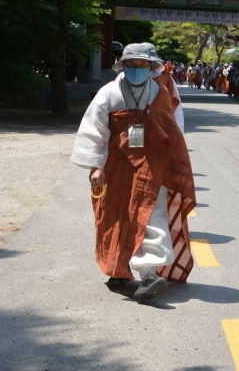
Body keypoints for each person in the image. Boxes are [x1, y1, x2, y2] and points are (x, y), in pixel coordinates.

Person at [69, 43, 197, 301]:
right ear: (123, 66)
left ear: (151, 67)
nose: (137, 69)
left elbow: (170, 133)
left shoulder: (159, 93)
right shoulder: (108, 93)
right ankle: (118, 269)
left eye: (142, 65)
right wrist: (95, 166)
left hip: (152, 165)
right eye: (132, 65)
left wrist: (174, 167)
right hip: (114, 166)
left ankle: (149, 273)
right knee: (114, 215)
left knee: (151, 214)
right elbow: (94, 131)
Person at [147, 44, 185, 134]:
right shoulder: (125, 78)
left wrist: (179, 132)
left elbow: (176, 106)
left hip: (160, 125)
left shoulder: (166, 78)